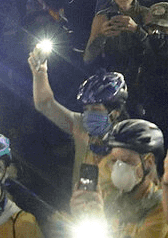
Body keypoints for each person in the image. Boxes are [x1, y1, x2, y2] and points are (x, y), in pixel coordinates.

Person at [29, 60, 129, 188]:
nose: (88, 115)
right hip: (80, 204)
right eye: (86, 109)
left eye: (95, 109)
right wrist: (40, 74)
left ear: (115, 113)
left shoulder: (131, 141)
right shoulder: (81, 126)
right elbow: (45, 104)